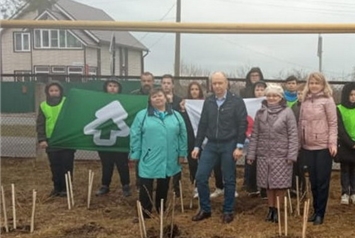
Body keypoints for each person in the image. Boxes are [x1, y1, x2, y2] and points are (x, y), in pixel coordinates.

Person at [191, 72, 247, 224]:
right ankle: (205, 209)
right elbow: (202, 124)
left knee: (229, 179)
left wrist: (239, 146)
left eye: (220, 83)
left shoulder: (236, 101)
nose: (217, 86)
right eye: (214, 83)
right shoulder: (208, 101)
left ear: (226, 83)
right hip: (211, 144)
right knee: (201, 176)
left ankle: (228, 210)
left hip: (229, 144)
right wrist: (197, 145)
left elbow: (243, 124)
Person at [129, 87, 187, 218]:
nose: (158, 98)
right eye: (154, 96)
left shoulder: (176, 116)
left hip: (169, 157)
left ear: (165, 98)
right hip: (149, 157)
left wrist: (182, 153)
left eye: (160, 95)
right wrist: (135, 154)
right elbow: (135, 135)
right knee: (145, 185)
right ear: (150, 100)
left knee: (164, 184)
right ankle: (145, 212)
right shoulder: (142, 116)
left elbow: (183, 135)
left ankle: (161, 209)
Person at [247, 85, 298, 222]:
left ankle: (278, 210)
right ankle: (270, 209)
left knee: (279, 185)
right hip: (264, 154)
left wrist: (291, 155)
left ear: (281, 97)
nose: (271, 98)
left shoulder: (287, 112)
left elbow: (293, 135)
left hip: (281, 155)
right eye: (269, 95)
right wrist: (251, 154)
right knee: (268, 184)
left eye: (275, 95)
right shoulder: (260, 113)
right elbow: (255, 134)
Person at [299, 72, 338, 225]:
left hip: (322, 146)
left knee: (322, 181)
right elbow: (300, 122)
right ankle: (315, 210)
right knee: (313, 181)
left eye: (317, 83)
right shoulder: (304, 100)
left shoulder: (328, 100)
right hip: (307, 146)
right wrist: (299, 143)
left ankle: (321, 212)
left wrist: (332, 143)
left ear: (323, 85)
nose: (314, 85)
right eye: (312, 83)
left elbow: (333, 123)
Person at [37, 81, 75, 197]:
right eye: (51, 90)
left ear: (61, 91)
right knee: (55, 165)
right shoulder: (43, 106)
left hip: (66, 140)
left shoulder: (67, 102)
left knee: (66, 165)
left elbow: (74, 119)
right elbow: (40, 124)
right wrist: (42, 139)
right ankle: (57, 188)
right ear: (47, 92)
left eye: (56, 90)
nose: (54, 93)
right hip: (51, 141)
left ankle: (66, 188)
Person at [95, 79, 131, 197]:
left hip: (120, 138)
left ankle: (126, 186)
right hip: (104, 137)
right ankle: (105, 185)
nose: (112, 88)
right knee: (106, 164)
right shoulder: (99, 100)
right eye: (110, 85)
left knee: (122, 164)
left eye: (115, 86)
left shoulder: (125, 100)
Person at [336, 82, 355, 205]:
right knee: (345, 169)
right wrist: (350, 142)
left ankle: (354, 192)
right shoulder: (340, 109)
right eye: (351, 94)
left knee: (354, 169)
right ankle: (344, 193)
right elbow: (340, 128)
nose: (353, 97)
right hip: (345, 144)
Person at [243, 80, 267, 197]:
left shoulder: (269, 104)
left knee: (264, 164)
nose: (259, 92)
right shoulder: (248, 103)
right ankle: (251, 187)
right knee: (251, 163)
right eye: (257, 89)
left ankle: (264, 188)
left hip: (266, 140)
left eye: (262, 89)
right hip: (252, 138)